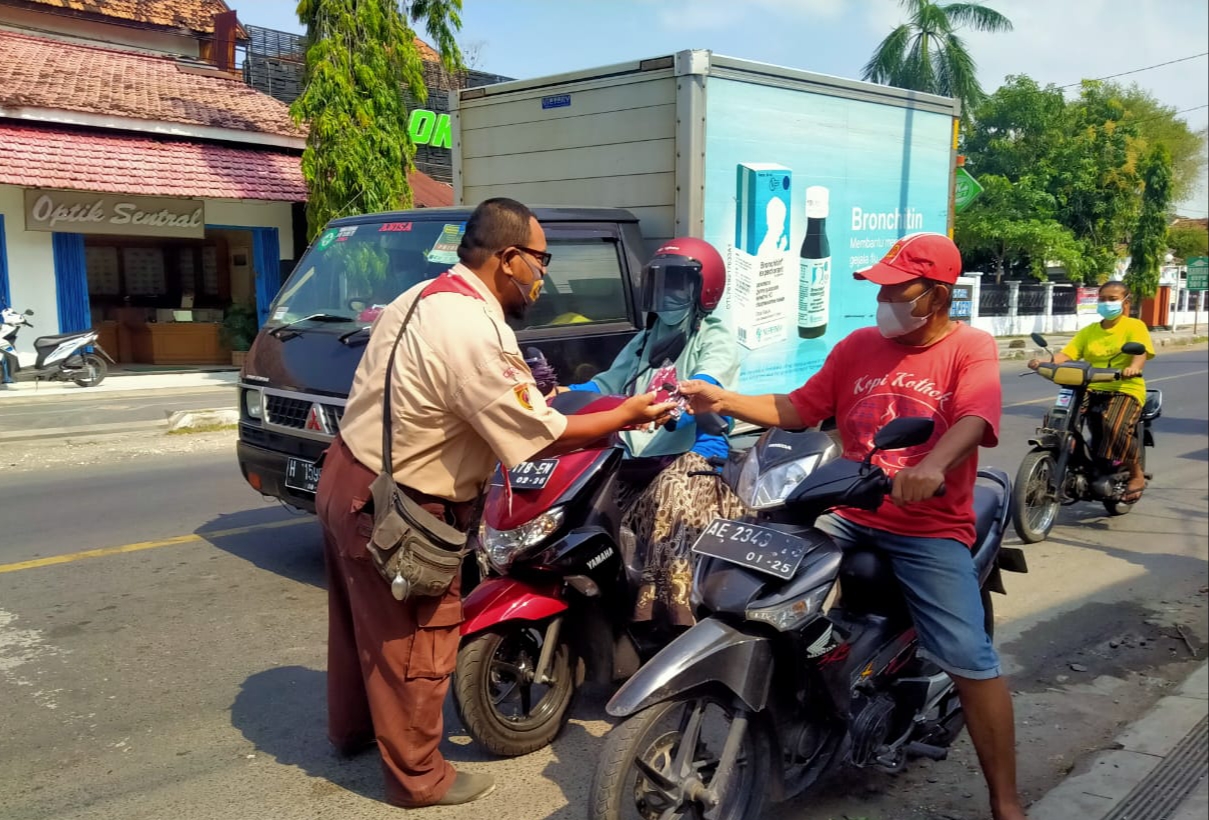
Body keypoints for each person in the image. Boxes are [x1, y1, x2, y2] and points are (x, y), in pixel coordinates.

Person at [316, 197, 673, 809]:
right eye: (541, 260)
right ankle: (419, 780)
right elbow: (544, 432)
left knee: (361, 626)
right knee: (419, 643)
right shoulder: (476, 330)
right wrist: (628, 413)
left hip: (349, 477)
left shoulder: (423, 297)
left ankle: (352, 732)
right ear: (508, 260)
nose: (544, 276)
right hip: (405, 504)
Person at [680, 232, 1027, 820]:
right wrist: (724, 400)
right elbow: (800, 409)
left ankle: (1006, 800)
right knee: (767, 587)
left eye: (898, 288)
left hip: (928, 526)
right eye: (882, 287)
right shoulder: (859, 345)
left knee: (969, 657)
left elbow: (974, 416)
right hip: (852, 509)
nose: (884, 297)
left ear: (934, 295)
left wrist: (932, 466)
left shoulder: (970, 347)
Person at [558, 237, 744, 628]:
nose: (666, 296)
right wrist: (562, 396)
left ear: (702, 289)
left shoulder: (713, 335)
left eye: (677, 285)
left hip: (693, 452)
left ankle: (671, 614)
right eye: (660, 284)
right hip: (635, 455)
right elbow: (607, 384)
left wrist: (681, 402)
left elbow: (707, 379)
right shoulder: (645, 339)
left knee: (668, 496)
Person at [1028, 280, 1154, 503]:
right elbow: (1067, 355)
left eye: (1112, 299)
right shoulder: (1089, 331)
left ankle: (1136, 474)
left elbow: (1140, 352)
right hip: (1088, 385)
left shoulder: (1135, 326)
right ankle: (1073, 462)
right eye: (1102, 299)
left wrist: (1133, 367)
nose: (1106, 303)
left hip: (1123, 387)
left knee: (1113, 426)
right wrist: (1045, 362)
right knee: (1056, 421)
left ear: (1126, 302)